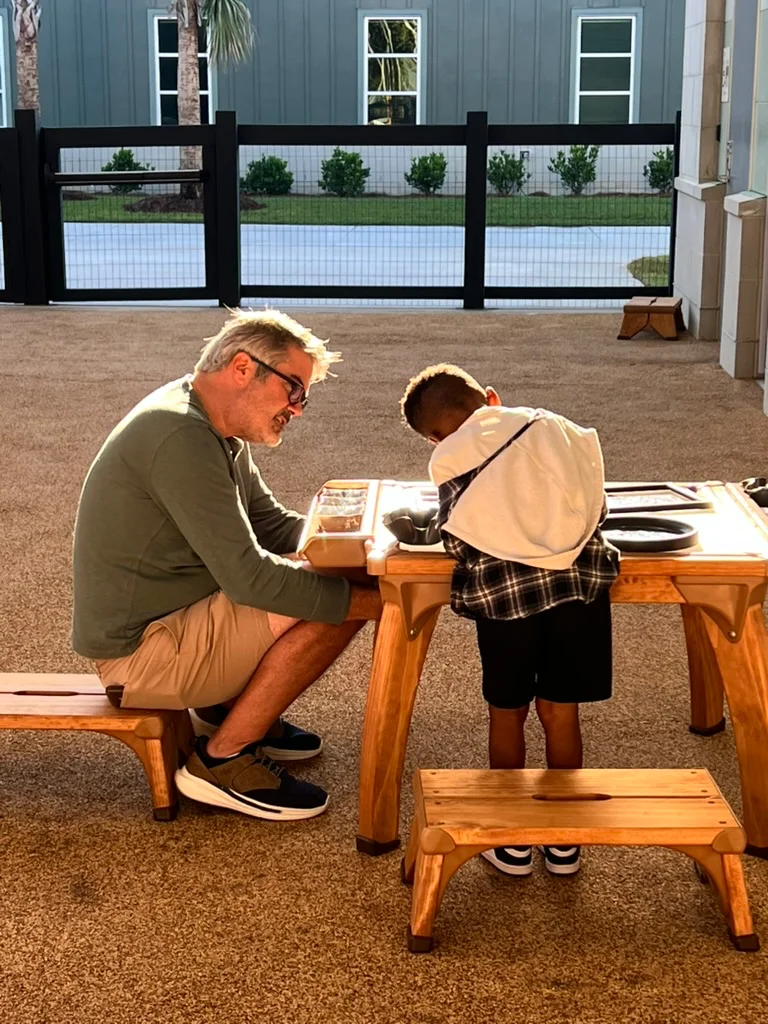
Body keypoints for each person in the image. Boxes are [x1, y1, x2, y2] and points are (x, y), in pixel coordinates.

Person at [72, 309, 381, 821]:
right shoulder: (180, 436)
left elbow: (272, 524)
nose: (298, 409)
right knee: (335, 603)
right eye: (294, 390)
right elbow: (249, 577)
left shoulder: (207, 422)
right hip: (143, 657)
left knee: (333, 579)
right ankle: (223, 758)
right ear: (243, 368)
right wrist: (373, 601)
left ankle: (225, 710)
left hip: (172, 619)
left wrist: (361, 545)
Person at [400, 364, 619, 876]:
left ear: (434, 437)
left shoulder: (450, 459)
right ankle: (565, 840)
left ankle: (513, 838)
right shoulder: (555, 425)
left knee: (507, 711)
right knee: (562, 712)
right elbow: (598, 507)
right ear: (491, 399)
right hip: (579, 592)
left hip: (504, 605)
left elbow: (457, 540)